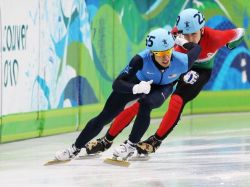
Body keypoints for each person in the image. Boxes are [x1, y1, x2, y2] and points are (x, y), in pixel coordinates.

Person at [86, 8, 245, 156]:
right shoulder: (174, 33)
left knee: (176, 100)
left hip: (199, 70)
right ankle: (107, 140)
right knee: (141, 102)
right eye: (185, 34)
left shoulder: (217, 37)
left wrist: (232, 45)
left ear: (202, 30)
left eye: (193, 34)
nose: (189, 38)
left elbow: (240, 32)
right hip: (176, 66)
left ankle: (155, 140)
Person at [55, 27, 201, 161]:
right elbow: (117, 84)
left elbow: (197, 48)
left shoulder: (183, 61)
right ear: (151, 53)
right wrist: (135, 88)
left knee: (146, 104)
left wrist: (181, 42)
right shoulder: (140, 59)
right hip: (140, 83)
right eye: (160, 54)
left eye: (168, 52)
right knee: (104, 116)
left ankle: (130, 146)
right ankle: (74, 149)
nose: (165, 57)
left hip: (162, 87)